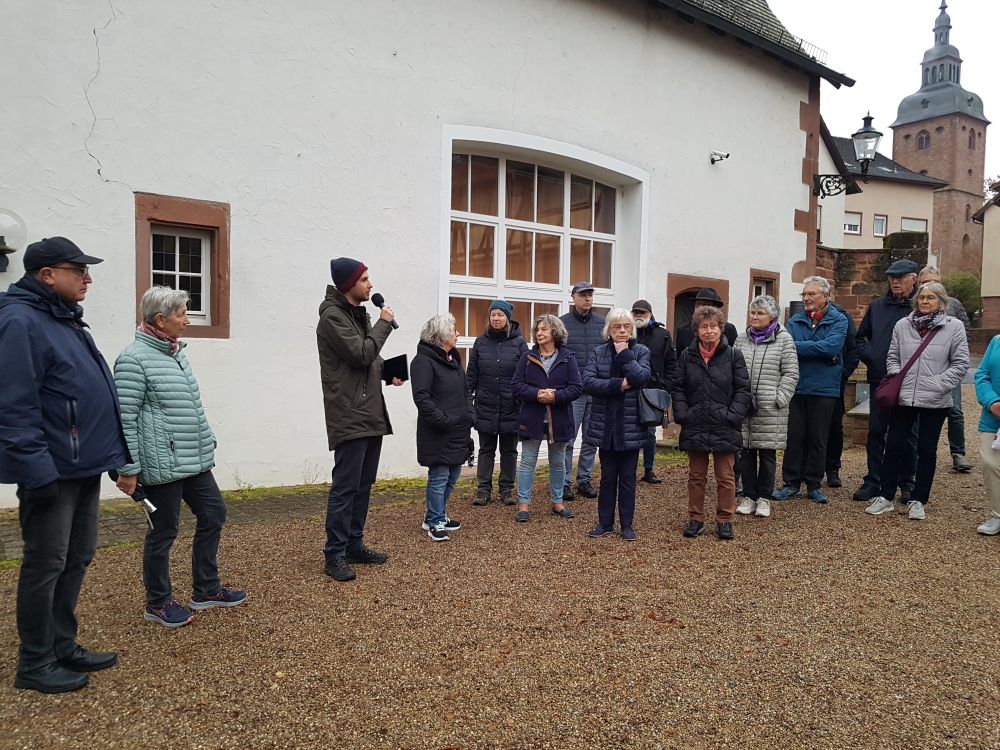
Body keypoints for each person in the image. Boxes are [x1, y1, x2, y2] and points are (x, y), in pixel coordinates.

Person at [0, 237, 128, 693]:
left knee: (77, 557)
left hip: (82, 467)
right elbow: (14, 407)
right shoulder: (20, 321)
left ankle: (62, 645)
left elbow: (96, 397)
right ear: (47, 275)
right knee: (45, 564)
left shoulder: (65, 321)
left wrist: (114, 458)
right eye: (79, 270)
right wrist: (37, 472)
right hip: (51, 472)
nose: (88, 278)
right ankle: (34, 664)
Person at [114, 287, 246, 628]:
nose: (187, 320)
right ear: (161, 319)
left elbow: (188, 406)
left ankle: (206, 589)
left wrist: (207, 437)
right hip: (161, 464)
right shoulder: (133, 359)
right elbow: (123, 418)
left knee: (214, 513)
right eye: (182, 315)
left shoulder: (176, 353)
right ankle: (157, 603)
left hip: (194, 458)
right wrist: (128, 469)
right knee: (164, 531)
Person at [317, 257, 402, 582]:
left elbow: (370, 359)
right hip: (349, 413)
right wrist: (384, 323)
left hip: (369, 411)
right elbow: (361, 353)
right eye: (365, 279)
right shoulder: (332, 318)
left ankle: (354, 545)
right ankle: (334, 554)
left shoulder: (356, 314)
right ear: (348, 284)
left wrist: (390, 373)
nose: (370, 285)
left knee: (363, 485)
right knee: (345, 487)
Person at [864, 282, 969, 520]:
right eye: (922, 297)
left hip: (935, 399)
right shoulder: (903, 325)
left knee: (926, 450)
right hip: (904, 396)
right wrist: (896, 375)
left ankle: (918, 499)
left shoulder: (954, 327)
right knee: (894, 446)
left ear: (941, 302)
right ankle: (886, 496)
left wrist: (938, 384)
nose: (925, 301)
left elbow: (960, 364)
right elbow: (892, 355)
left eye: (931, 298)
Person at [672, 305, 751, 540]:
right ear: (697, 330)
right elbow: (678, 387)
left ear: (721, 329)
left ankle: (724, 520)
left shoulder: (733, 355)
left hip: (723, 424)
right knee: (696, 477)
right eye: (704, 327)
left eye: (713, 326)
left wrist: (732, 416)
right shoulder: (688, 355)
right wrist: (683, 414)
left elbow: (743, 389)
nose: (709, 331)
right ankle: (696, 518)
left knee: (725, 477)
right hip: (695, 422)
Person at [773, 277, 848, 503]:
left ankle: (814, 484)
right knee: (794, 437)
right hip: (797, 387)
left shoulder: (839, 321)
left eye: (811, 294)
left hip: (824, 389)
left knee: (818, 438)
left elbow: (831, 347)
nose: (806, 298)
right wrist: (819, 351)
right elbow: (786, 348)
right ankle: (791, 483)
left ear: (826, 296)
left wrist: (804, 348)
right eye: (804, 294)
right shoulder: (795, 321)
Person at [853, 259, 920, 502]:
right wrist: (872, 356)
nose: (895, 282)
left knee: (908, 434)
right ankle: (874, 480)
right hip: (879, 379)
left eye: (901, 277)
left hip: (910, 380)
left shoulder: (918, 308)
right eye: (892, 277)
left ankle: (906, 482)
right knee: (876, 431)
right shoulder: (877, 306)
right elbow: (860, 339)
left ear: (913, 278)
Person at [583, 309, 652, 540]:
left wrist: (624, 355)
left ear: (632, 328)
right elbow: (589, 382)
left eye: (626, 326)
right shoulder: (598, 352)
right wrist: (618, 385)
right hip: (606, 426)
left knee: (628, 479)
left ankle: (627, 525)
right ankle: (605, 523)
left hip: (631, 426)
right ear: (609, 330)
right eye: (616, 327)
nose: (621, 331)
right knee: (607, 477)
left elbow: (642, 377)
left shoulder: (641, 351)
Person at [510, 315, 583, 523]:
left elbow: (576, 388)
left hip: (559, 419)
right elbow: (516, 386)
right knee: (527, 462)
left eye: (544, 329)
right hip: (532, 417)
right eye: (537, 330)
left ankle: (557, 503)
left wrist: (556, 396)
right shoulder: (527, 357)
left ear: (555, 333)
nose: (539, 333)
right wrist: (537, 394)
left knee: (558, 462)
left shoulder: (568, 357)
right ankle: (523, 506)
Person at [734, 295, 799, 518]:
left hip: (770, 408)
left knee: (767, 455)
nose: (755, 316)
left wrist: (779, 398)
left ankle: (764, 498)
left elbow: (791, 373)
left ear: (772, 316)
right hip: (744, 406)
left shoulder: (784, 340)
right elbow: (732, 369)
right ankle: (749, 495)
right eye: (752, 312)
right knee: (746, 453)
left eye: (760, 313)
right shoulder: (741, 339)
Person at [411, 313, 473, 541]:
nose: (457, 334)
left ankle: (435, 515)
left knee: (453, 475)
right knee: (439, 477)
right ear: (440, 336)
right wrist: (442, 420)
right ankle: (435, 520)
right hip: (437, 431)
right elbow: (422, 397)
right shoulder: (423, 362)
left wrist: (470, 414)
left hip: (458, 430)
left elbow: (466, 391)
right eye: (453, 330)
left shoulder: (453, 360)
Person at [467, 300, 527, 506]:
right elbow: (471, 375)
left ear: (508, 317)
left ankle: (507, 490)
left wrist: (521, 402)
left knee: (509, 450)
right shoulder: (480, 342)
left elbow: (525, 375)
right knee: (486, 449)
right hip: (485, 405)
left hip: (512, 406)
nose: (496, 318)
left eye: (500, 314)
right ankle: (483, 490)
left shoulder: (519, 343)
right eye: (493, 314)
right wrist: (469, 402)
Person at [918, 265, 973, 473]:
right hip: (922, 371)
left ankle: (958, 453)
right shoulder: (915, 305)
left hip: (949, 370)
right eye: (925, 282)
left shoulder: (955, 305)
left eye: (934, 281)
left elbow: (965, 335)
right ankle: (916, 454)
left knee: (955, 411)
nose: (929, 286)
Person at [560, 282, 606, 500]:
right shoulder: (562, 324)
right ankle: (565, 482)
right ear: (573, 297)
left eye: (590, 295)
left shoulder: (602, 323)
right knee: (568, 438)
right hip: (573, 392)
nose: (587, 299)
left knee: (591, 438)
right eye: (583, 295)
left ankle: (584, 480)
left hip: (596, 391)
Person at [632, 299, 677, 484]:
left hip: (653, 389)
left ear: (650, 314)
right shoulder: (628, 333)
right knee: (632, 431)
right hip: (632, 389)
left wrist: (666, 387)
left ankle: (648, 469)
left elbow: (671, 363)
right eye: (636, 313)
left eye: (643, 312)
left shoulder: (663, 335)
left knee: (650, 432)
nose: (639, 316)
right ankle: (629, 470)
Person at [823, 300, 859, 488]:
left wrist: (843, 373)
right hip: (810, 381)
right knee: (807, 428)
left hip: (835, 381)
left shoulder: (842, 317)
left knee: (834, 427)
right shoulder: (803, 317)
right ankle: (809, 469)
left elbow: (854, 348)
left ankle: (832, 468)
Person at [974, 334, 1000, 535]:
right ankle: (997, 514)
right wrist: (992, 402)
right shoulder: (996, 341)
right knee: (991, 464)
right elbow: (982, 374)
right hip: (994, 417)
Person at [673, 287, 738, 357]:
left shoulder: (728, 329)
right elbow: (679, 359)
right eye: (698, 304)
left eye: (704, 305)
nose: (700, 308)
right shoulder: (683, 330)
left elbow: (734, 356)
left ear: (714, 308)